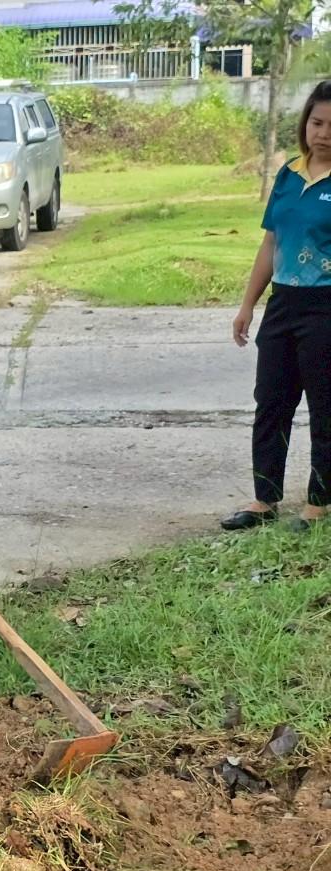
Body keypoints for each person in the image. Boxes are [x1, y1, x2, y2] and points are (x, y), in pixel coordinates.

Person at [223, 80, 331, 534]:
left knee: (325, 407)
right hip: (282, 304)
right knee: (271, 402)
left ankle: (317, 505)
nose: (323, 133)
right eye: (317, 122)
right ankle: (264, 498)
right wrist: (248, 304)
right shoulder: (288, 174)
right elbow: (272, 241)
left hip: (326, 307)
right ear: (305, 122)